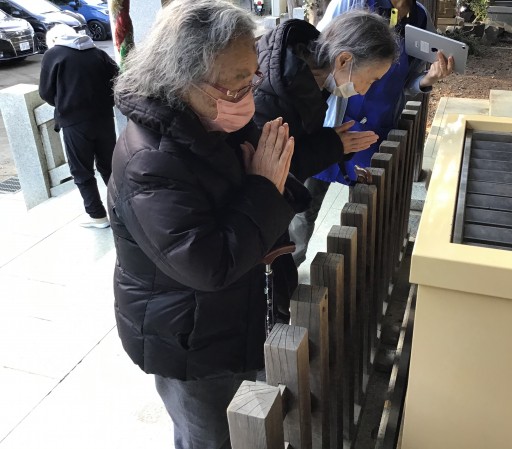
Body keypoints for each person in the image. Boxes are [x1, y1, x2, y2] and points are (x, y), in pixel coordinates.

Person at [107, 1, 309, 448]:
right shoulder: (150, 161)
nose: (249, 94)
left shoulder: (211, 119)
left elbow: (269, 179)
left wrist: (271, 180)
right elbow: (209, 266)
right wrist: (264, 188)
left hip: (230, 318)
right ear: (182, 78)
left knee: (245, 425)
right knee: (210, 438)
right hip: (189, 341)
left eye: (253, 77)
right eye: (237, 83)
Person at [287, 0, 455, 267]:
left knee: (364, 207)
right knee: (304, 204)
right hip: (329, 123)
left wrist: (428, 79)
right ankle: (290, 267)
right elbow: (320, 59)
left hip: (375, 127)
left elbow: (409, 80)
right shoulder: (351, 3)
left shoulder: (420, 18)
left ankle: (357, 266)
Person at [253, 10, 400, 265]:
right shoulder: (276, 91)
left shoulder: (309, 76)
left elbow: (296, 142)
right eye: (370, 80)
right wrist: (332, 145)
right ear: (343, 60)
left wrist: (334, 143)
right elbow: (272, 171)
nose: (364, 90)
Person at [38, 24, 119, 229]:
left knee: (82, 170)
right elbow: (117, 79)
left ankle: (97, 216)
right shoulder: (98, 53)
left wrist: (64, 102)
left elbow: (45, 92)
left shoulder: (53, 55)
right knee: (110, 166)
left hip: (74, 122)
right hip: (103, 119)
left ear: (54, 40)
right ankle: (122, 211)